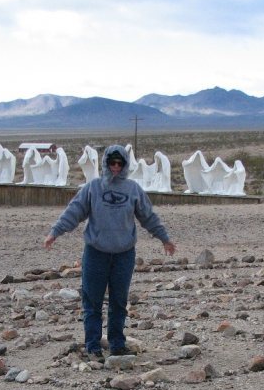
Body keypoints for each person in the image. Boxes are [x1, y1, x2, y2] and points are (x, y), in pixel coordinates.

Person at [44, 144, 176, 360]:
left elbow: (148, 217)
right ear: (106, 163)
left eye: (119, 163)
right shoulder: (93, 188)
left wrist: (164, 238)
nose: (115, 167)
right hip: (96, 252)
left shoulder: (133, 189)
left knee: (118, 301)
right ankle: (93, 345)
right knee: (92, 301)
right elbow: (74, 211)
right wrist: (55, 232)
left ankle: (116, 343)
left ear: (124, 165)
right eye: (112, 163)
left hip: (124, 254)